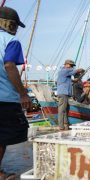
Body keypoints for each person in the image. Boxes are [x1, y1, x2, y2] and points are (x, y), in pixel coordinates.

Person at [0, 6, 32, 179]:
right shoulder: (10, 41)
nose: (16, 29)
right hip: (4, 99)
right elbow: (9, 65)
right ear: (8, 24)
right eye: (15, 25)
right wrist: (23, 93)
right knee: (3, 136)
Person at [57, 60, 84, 130]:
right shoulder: (65, 70)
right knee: (62, 110)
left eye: (72, 66)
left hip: (66, 93)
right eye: (71, 65)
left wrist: (76, 79)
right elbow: (76, 70)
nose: (71, 67)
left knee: (65, 109)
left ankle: (66, 125)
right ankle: (61, 126)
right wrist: (81, 70)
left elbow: (71, 80)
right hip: (63, 93)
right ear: (66, 64)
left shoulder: (65, 73)